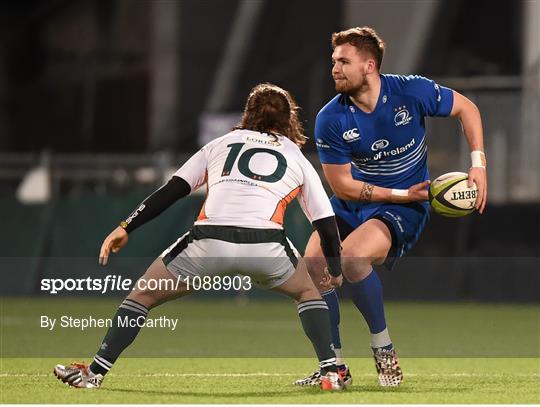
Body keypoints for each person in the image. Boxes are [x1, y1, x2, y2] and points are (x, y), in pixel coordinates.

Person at [53, 83, 347, 391]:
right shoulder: (296, 156)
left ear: (247, 114)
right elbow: (326, 225)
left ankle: (95, 373)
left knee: (141, 296)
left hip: (209, 242)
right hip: (265, 246)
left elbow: (171, 191)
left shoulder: (220, 144)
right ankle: (330, 373)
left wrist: (126, 226)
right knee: (309, 294)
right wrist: (336, 272)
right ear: (290, 119)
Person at [294, 27, 487, 387]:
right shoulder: (331, 118)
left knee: (351, 258)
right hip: (369, 201)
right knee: (314, 263)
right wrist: (401, 194)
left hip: (404, 210)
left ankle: (384, 351)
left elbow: (467, 109)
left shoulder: (411, 90)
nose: (334, 68)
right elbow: (341, 186)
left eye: (343, 61)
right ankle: (333, 367)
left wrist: (478, 164)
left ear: (369, 66)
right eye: (333, 61)